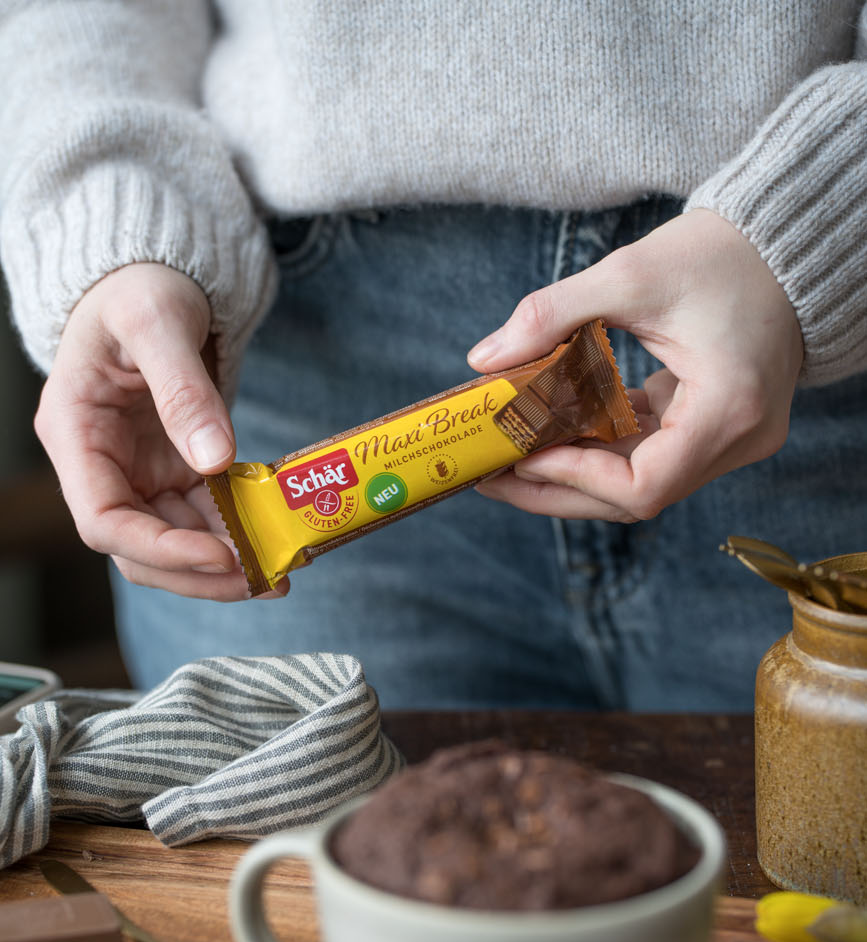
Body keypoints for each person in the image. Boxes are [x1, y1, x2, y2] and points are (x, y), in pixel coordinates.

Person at [1, 1, 865, 710]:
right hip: (293, 366)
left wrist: (820, 221)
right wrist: (115, 221)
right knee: (297, 906)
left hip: (814, 376)